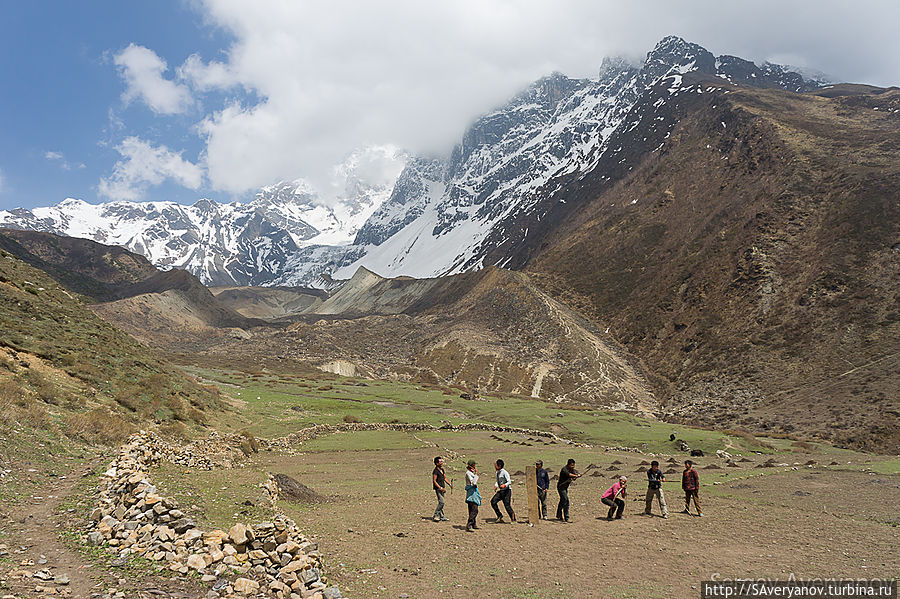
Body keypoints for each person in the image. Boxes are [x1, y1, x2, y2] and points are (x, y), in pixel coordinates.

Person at [432, 456, 451, 522]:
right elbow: (434, 481)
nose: (442, 462)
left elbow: (445, 478)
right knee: (442, 502)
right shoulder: (435, 471)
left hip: (443, 487)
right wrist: (440, 488)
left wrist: (449, 484)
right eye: (440, 461)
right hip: (438, 488)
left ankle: (442, 516)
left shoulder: (442, 470)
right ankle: (436, 515)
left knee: (441, 502)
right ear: (437, 463)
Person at [464, 459, 481, 532]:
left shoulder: (470, 473)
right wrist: (476, 474)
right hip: (471, 493)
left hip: (472, 492)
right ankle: (469, 524)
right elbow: (473, 482)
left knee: (472, 509)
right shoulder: (468, 473)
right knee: (474, 510)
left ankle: (474, 524)